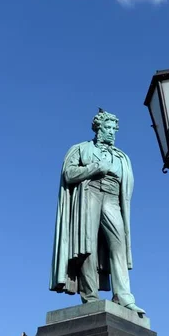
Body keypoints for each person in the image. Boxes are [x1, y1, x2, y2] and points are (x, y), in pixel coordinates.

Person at [51, 109, 144, 314]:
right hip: (89, 194)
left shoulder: (122, 157)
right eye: (107, 127)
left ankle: (124, 297)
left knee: (118, 245)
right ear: (98, 128)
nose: (111, 132)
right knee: (87, 246)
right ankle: (90, 297)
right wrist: (94, 168)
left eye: (114, 128)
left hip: (112, 199)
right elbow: (68, 173)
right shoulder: (80, 149)